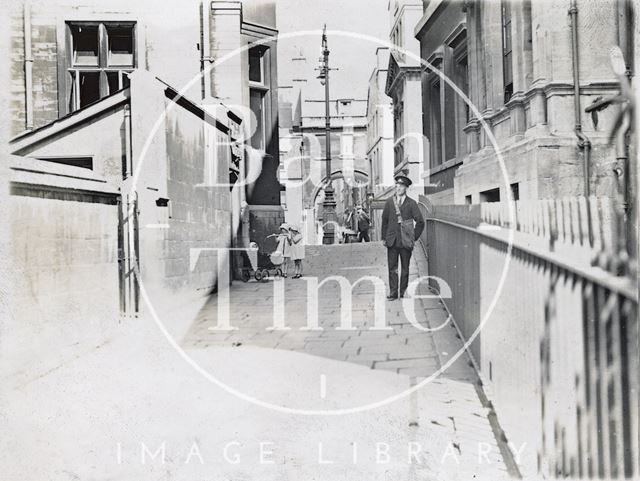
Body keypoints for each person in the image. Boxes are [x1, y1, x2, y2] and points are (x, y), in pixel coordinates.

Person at [380, 174, 425, 300]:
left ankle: (402, 292)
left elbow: (420, 222)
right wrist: (384, 238)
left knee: (405, 268)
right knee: (392, 268)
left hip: (406, 242)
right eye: (397, 185)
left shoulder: (411, 203)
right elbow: (384, 221)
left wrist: (413, 237)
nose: (398, 188)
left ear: (406, 188)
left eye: (401, 186)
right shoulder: (389, 202)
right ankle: (393, 293)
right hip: (392, 241)